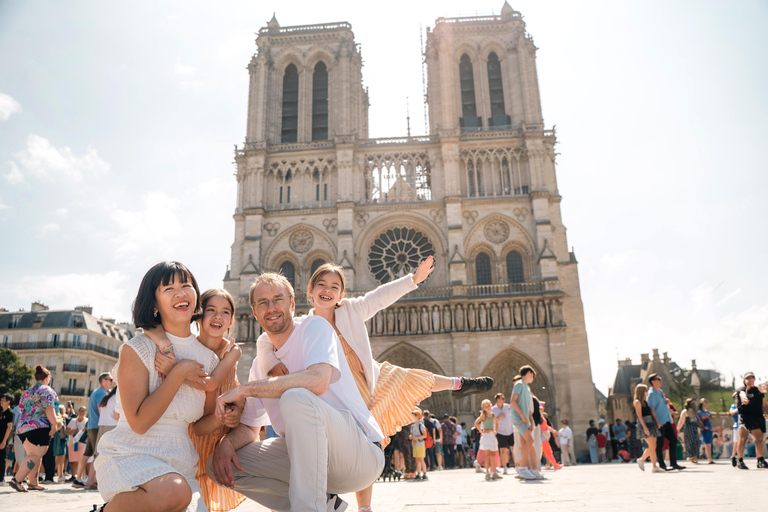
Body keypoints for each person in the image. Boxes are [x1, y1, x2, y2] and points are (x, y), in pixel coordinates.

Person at [257, 258, 493, 510]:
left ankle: (459, 384)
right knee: (364, 443)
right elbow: (264, 340)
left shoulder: (351, 309)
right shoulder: (302, 325)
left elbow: (379, 297)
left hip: (370, 380)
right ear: (310, 291)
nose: (327, 290)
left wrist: (412, 280)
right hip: (344, 396)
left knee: (408, 377)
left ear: (341, 294)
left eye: (334, 286)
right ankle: (363, 507)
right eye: (321, 285)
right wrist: (271, 363)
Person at [209, 272, 385, 512]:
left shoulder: (315, 327)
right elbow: (250, 428)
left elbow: (318, 381)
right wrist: (226, 443)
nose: (271, 308)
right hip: (309, 462)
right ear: (254, 311)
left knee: (296, 396)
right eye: (262, 302)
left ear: (292, 303)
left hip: (359, 455)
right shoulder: (260, 364)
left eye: (278, 299)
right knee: (219, 465)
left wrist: (245, 390)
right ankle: (326, 505)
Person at [94, 261, 220, 512]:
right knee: (174, 491)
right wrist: (180, 371)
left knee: (180, 493)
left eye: (186, 285)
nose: (181, 293)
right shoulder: (137, 348)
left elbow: (202, 424)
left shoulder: (209, 358)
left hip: (181, 465)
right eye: (169, 288)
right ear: (153, 303)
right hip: (131, 455)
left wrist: (226, 417)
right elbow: (139, 424)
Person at [145, 288, 246, 512]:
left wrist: (176, 370)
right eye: (211, 310)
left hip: (217, 429)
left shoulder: (232, 350)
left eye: (225, 312)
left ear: (231, 320)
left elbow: (211, 384)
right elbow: (150, 324)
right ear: (198, 316)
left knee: (206, 499)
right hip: (193, 431)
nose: (218, 316)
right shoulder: (186, 347)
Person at [9, 365, 60, 492]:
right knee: (36, 454)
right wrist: (54, 424)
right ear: (47, 378)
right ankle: (17, 480)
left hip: (22, 428)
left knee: (34, 455)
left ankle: (33, 483)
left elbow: (21, 409)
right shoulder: (47, 390)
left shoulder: (27, 392)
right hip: (39, 427)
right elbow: (49, 408)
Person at [72, 372, 113, 489]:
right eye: (110, 380)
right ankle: (91, 481)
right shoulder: (102, 393)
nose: (112, 382)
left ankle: (78, 479)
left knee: (87, 454)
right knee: (97, 454)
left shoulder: (95, 392)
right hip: (97, 427)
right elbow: (101, 408)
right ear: (103, 381)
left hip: (91, 426)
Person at [647, 373, 684, 471]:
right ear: (653, 381)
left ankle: (673, 463)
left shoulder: (660, 391)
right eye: (658, 378)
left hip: (666, 420)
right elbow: (652, 410)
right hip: (659, 422)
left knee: (673, 440)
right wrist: (657, 422)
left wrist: (666, 402)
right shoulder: (651, 394)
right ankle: (662, 465)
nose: (660, 380)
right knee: (660, 443)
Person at [510, 365, 541, 480]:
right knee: (530, 441)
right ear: (529, 373)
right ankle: (522, 468)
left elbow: (527, 407)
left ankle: (528, 469)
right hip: (518, 418)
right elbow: (513, 401)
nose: (533, 378)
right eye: (532, 375)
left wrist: (531, 420)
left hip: (525, 419)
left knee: (524, 444)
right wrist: (523, 416)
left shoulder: (527, 388)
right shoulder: (519, 384)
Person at [734, 372, 768, 469]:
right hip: (745, 416)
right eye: (747, 378)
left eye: (751, 377)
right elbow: (742, 395)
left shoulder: (759, 391)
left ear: (754, 379)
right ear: (744, 380)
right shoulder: (741, 390)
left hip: (758, 416)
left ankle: (760, 460)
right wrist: (744, 398)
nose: (750, 379)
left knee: (760, 438)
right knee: (743, 439)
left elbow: (764, 405)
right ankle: (739, 460)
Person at [633, 384, 661, 472]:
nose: (647, 392)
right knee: (652, 445)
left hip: (650, 423)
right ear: (642, 392)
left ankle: (654, 466)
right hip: (644, 424)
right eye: (646, 391)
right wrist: (645, 427)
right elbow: (639, 416)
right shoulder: (637, 402)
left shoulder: (645, 402)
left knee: (653, 446)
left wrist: (656, 423)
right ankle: (641, 459)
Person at [474, 399, 500, 480]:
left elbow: (496, 423)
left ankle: (493, 472)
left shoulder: (493, 415)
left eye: (489, 405)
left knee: (493, 455)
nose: (488, 407)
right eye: (486, 406)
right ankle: (487, 472)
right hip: (486, 436)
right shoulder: (483, 415)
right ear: (483, 408)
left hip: (492, 435)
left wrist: (495, 430)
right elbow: (476, 423)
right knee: (487, 455)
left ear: (491, 405)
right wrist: (481, 430)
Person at [492, 393, 514, 474]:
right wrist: (498, 417)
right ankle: (505, 467)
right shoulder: (493, 410)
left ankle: (518, 466)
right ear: (498, 400)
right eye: (502, 398)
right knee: (503, 450)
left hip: (510, 430)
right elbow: (492, 422)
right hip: (500, 432)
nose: (504, 400)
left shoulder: (507, 407)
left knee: (514, 449)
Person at [66, 407, 88, 483]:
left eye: (83, 411)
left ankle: (82, 476)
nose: (81, 412)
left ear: (85, 412)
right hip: (73, 443)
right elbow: (67, 431)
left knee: (82, 460)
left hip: (82, 444)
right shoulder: (73, 421)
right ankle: (73, 476)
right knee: (73, 461)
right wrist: (73, 431)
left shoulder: (87, 421)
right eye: (80, 410)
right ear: (78, 411)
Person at [677, 398, 702, 464]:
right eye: (692, 403)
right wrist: (677, 429)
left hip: (695, 429)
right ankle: (691, 457)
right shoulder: (685, 411)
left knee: (697, 442)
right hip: (688, 429)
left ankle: (694, 456)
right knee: (689, 443)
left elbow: (698, 421)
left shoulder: (695, 411)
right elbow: (681, 421)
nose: (694, 404)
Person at [409, 408, 428, 481]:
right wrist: (411, 437)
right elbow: (411, 434)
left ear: (417, 416)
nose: (412, 417)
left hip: (420, 444)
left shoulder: (421, 425)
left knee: (421, 459)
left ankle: (425, 473)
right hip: (415, 445)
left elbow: (425, 435)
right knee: (417, 460)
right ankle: (419, 473)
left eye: (413, 415)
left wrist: (416, 438)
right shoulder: (413, 426)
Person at [52, 405, 68, 482]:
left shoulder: (61, 417)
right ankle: (54, 472)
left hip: (61, 438)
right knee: (60, 457)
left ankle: (60, 475)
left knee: (61, 457)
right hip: (60, 438)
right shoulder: (60, 418)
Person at [1, 392, 13, 486]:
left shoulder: (10, 413)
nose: (1, 401)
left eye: (3, 400)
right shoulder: (2, 412)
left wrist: (4, 441)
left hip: (2, 439)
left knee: (2, 458)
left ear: (8, 402)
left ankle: (1, 479)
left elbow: (9, 428)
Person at [697, 399, 714, 464]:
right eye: (705, 402)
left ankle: (710, 458)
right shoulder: (699, 412)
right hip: (704, 429)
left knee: (709, 444)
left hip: (709, 429)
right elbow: (698, 421)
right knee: (706, 444)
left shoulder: (707, 412)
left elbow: (710, 419)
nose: (706, 404)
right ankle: (709, 459)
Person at [729, 396, 739, 466]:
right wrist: (738, 409)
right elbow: (731, 412)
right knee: (736, 442)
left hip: (743, 425)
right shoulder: (733, 406)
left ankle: (738, 457)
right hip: (737, 425)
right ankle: (733, 456)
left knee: (740, 442)